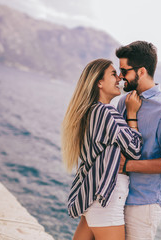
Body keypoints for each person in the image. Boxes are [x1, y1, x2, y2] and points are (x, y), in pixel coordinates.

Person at [61, 58, 143, 240]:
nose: (119, 79)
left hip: (94, 197)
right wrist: (132, 114)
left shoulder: (89, 111)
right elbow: (135, 150)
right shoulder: (106, 112)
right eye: (113, 74)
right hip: (107, 200)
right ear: (99, 82)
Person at [115, 41, 161, 240]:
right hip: (114, 195)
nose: (120, 77)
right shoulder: (123, 101)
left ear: (141, 71)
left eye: (124, 71)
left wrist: (129, 165)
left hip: (143, 203)